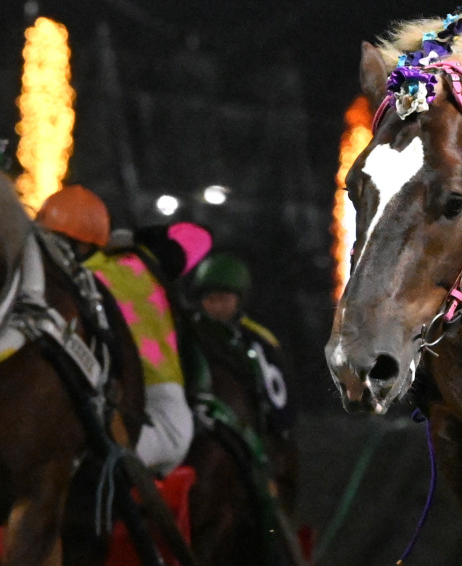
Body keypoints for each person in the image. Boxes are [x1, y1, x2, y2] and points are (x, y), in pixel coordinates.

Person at [36, 186, 194, 475]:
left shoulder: (85, 280)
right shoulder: (134, 263)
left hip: (156, 413)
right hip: (147, 407)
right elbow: (196, 240)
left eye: (58, 241)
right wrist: (138, 240)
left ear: (82, 246)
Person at [188, 252, 294, 440]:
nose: (217, 306)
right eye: (210, 299)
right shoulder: (190, 332)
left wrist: (281, 424)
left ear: (239, 300)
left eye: (224, 299)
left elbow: (279, 386)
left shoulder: (258, 339)